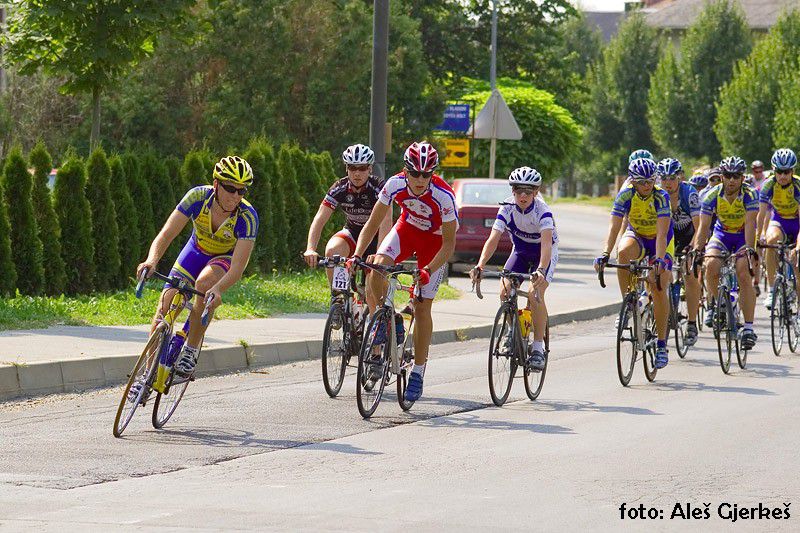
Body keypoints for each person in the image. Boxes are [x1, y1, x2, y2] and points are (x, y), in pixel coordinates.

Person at [352, 141, 458, 402]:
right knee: (376, 265)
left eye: (426, 174)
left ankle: (418, 372)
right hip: (407, 230)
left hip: (434, 243)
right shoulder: (394, 185)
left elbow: (448, 245)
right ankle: (387, 320)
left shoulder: (444, 196)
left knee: (422, 307)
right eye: (415, 173)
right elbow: (372, 223)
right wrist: (357, 254)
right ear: (405, 171)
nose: (420, 180)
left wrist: (428, 270)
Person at [136, 156, 259, 377]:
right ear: (216, 184)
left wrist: (218, 289)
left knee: (204, 284)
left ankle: (191, 349)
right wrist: (151, 260)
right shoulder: (197, 197)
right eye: (230, 188)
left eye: (242, 191)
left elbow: (238, 267)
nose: (236, 196)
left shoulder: (247, 217)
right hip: (196, 251)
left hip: (223, 259)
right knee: (164, 307)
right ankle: (146, 376)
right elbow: (166, 234)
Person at [470, 167, 557, 371]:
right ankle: (512, 331)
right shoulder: (507, 208)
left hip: (543, 254)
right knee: (504, 289)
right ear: (513, 191)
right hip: (520, 251)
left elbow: (546, 246)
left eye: (528, 191)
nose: (523, 195)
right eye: (518, 190)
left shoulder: (543, 211)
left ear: (536, 192)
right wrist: (480, 264)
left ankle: (537, 348)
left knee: (535, 293)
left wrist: (542, 270)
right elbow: (493, 239)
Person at [595, 158, 673, 369]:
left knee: (658, 286)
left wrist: (658, 260)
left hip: (660, 240)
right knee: (623, 252)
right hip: (637, 234)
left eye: (650, 181)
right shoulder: (626, 195)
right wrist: (604, 254)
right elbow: (614, 229)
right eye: (641, 181)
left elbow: (662, 235)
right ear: (632, 181)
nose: (647, 185)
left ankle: (662, 345)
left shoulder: (661, 196)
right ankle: (628, 303)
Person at [303, 144, 391, 316]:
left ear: (370, 168)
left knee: (374, 298)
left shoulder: (379, 187)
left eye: (362, 168)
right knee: (332, 251)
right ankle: (338, 298)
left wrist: (380, 253)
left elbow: (386, 221)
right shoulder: (339, 188)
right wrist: (310, 248)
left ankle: (377, 331)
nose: (357, 173)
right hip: (352, 233)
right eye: (352, 168)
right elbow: (319, 219)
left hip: (377, 239)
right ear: (346, 168)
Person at [693, 156, 758, 349]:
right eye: (728, 175)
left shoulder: (750, 195)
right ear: (721, 176)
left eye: (736, 176)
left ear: (742, 178)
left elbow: (750, 224)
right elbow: (704, 227)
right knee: (710, 264)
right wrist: (698, 249)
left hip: (741, 236)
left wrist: (748, 249)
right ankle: (718, 303)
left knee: (743, 272)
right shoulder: (712, 195)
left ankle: (748, 328)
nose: (731, 180)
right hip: (721, 234)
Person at [657, 158, 702, 346]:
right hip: (667, 238)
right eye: (664, 178)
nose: (668, 182)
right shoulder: (658, 194)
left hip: (688, 238)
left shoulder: (689, 193)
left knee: (690, 276)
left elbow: (699, 226)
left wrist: (693, 247)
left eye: (672, 178)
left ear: (680, 177)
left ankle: (692, 323)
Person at [757, 148, 800, 308]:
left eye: (786, 172)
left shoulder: (797, 185)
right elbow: (761, 215)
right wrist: (757, 238)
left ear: (792, 171)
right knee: (771, 241)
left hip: (797, 223)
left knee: (798, 268)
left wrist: (798, 245)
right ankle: (773, 288)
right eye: (779, 172)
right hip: (780, 220)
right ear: (774, 170)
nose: (782, 176)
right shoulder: (768, 185)